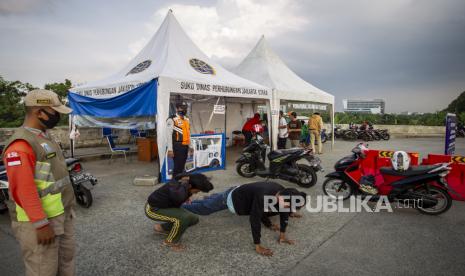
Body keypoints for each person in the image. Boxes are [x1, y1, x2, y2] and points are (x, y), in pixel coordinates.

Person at [1, 89, 76, 276]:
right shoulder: (20, 145)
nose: (57, 116)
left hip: (60, 214)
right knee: (43, 269)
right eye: (55, 111)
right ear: (39, 112)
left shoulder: (44, 136)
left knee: (66, 263)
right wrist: (41, 224)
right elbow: (23, 189)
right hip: (41, 222)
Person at [182, 181, 307, 256]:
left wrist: (282, 234)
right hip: (230, 198)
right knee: (204, 209)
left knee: (208, 202)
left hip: (241, 190)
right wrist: (257, 245)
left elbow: (283, 212)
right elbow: (255, 218)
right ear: (282, 197)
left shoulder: (284, 192)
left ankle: (202, 200)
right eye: (287, 205)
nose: (287, 208)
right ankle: (177, 204)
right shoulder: (264, 195)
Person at [145, 173, 213, 251]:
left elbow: (182, 178)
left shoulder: (184, 182)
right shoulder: (178, 192)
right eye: (197, 190)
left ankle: (161, 228)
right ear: (190, 186)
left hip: (165, 205)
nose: (197, 192)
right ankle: (170, 241)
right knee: (184, 218)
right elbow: (178, 197)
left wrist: (187, 195)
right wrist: (185, 196)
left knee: (194, 219)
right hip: (152, 209)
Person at [166, 101, 191, 177]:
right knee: (177, 168)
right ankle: (174, 185)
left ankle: (179, 183)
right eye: (181, 108)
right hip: (177, 146)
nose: (183, 109)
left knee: (182, 166)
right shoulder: (172, 119)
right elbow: (168, 135)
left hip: (185, 146)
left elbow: (189, 133)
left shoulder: (187, 119)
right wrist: (170, 149)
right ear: (177, 109)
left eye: (185, 108)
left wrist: (191, 146)